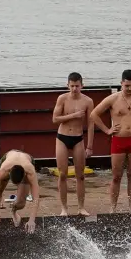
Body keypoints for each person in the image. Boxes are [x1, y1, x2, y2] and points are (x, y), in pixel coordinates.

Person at [89, 69, 131, 210]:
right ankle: (113, 208)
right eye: (127, 86)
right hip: (118, 140)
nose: (130, 88)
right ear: (121, 83)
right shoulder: (113, 98)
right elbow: (94, 114)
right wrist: (107, 130)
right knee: (116, 176)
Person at [51, 72, 95, 214]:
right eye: (72, 86)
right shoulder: (62, 98)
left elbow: (91, 124)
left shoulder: (88, 101)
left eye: (77, 86)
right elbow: (55, 119)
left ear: (82, 85)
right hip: (62, 137)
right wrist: (74, 115)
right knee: (62, 174)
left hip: (78, 138)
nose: (74, 89)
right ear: (67, 85)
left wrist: (89, 146)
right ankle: (64, 208)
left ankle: (81, 207)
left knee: (80, 175)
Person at [0, 150, 43, 233]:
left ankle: (13, 211)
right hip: (9, 157)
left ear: (24, 175)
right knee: (0, 187)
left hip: (26, 159)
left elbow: (36, 198)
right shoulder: (4, 169)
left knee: (21, 203)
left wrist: (32, 220)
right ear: (9, 174)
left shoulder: (30, 172)